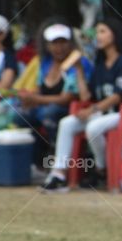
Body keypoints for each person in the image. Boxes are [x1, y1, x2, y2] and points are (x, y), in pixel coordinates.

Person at [40, 19, 122, 192]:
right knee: (67, 123)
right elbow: (87, 96)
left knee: (94, 126)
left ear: (115, 35)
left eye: (102, 31)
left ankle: (101, 169)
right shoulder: (100, 65)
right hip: (105, 114)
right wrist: (79, 70)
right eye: (97, 32)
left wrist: (92, 110)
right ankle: (58, 175)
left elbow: (118, 96)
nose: (98, 36)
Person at [15, 21, 91, 156]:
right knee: (20, 114)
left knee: (49, 113)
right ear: (47, 46)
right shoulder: (45, 62)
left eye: (63, 42)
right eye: (54, 43)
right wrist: (28, 98)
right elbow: (39, 88)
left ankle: (55, 153)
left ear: (71, 44)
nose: (59, 47)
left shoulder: (78, 63)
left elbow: (67, 98)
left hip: (71, 108)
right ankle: (36, 156)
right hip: (45, 105)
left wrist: (35, 98)